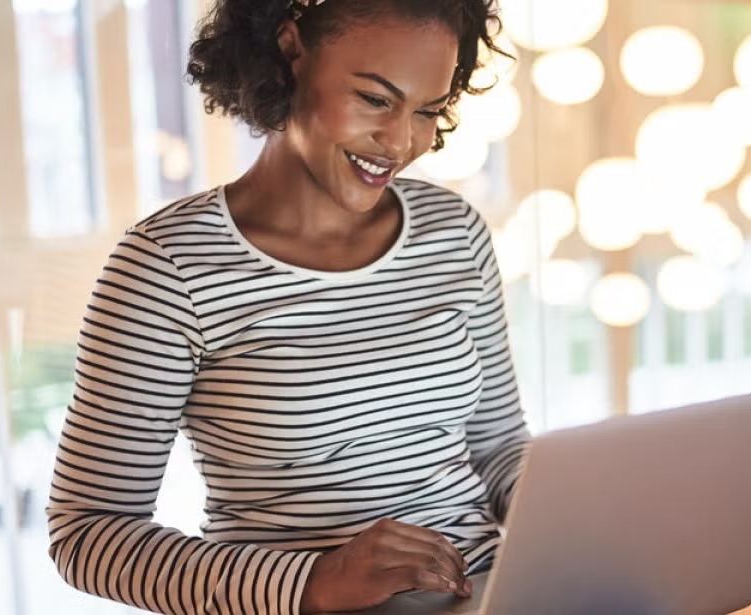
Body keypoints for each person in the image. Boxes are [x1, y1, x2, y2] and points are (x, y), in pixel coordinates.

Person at [45, 1, 531, 613]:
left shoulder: (453, 230)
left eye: (428, 110)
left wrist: (584, 514)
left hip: (493, 593)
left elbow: (498, 447)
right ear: (291, 50)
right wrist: (313, 581)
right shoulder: (168, 265)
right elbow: (88, 533)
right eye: (376, 99)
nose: (402, 141)